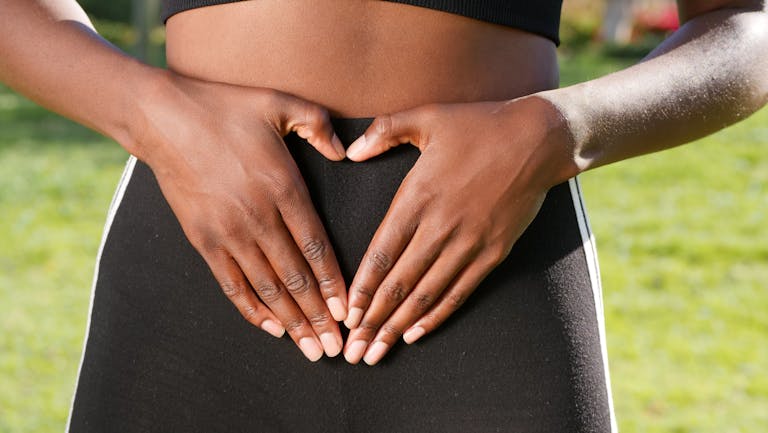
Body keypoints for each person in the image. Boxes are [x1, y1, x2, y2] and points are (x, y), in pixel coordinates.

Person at [1, 0, 766, 432]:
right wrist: (154, 116)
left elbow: (746, 29)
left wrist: (555, 131)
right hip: (200, 269)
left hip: (494, 277)